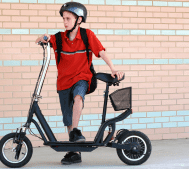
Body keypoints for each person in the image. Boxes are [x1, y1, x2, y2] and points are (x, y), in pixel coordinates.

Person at [35, 2, 124, 165]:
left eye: (68, 18)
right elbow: (39, 40)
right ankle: (74, 152)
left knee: (78, 98)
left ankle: (76, 133)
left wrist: (113, 68)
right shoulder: (59, 38)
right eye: (63, 18)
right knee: (68, 119)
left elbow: (101, 52)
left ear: (79, 19)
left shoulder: (86, 35)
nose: (65, 22)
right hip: (63, 83)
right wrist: (43, 37)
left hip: (82, 78)